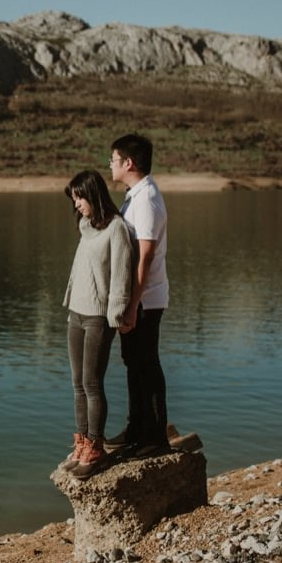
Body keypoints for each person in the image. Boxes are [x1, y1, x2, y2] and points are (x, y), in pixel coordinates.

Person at [60, 169, 134, 479]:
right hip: (75, 313)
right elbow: (81, 271)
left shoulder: (116, 228)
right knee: (78, 383)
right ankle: (82, 441)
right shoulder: (85, 226)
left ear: (94, 195)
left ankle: (96, 447)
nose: (77, 204)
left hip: (98, 318)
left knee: (92, 383)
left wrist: (116, 316)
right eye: (74, 199)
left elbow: (121, 276)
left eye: (80, 198)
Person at [106, 133, 171, 457]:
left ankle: (156, 437)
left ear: (128, 163)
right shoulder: (136, 195)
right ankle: (137, 428)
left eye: (114, 160)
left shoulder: (146, 199)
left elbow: (145, 255)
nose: (110, 165)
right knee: (134, 363)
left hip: (146, 298)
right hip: (139, 297)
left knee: (146, 364)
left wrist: (133, 305)